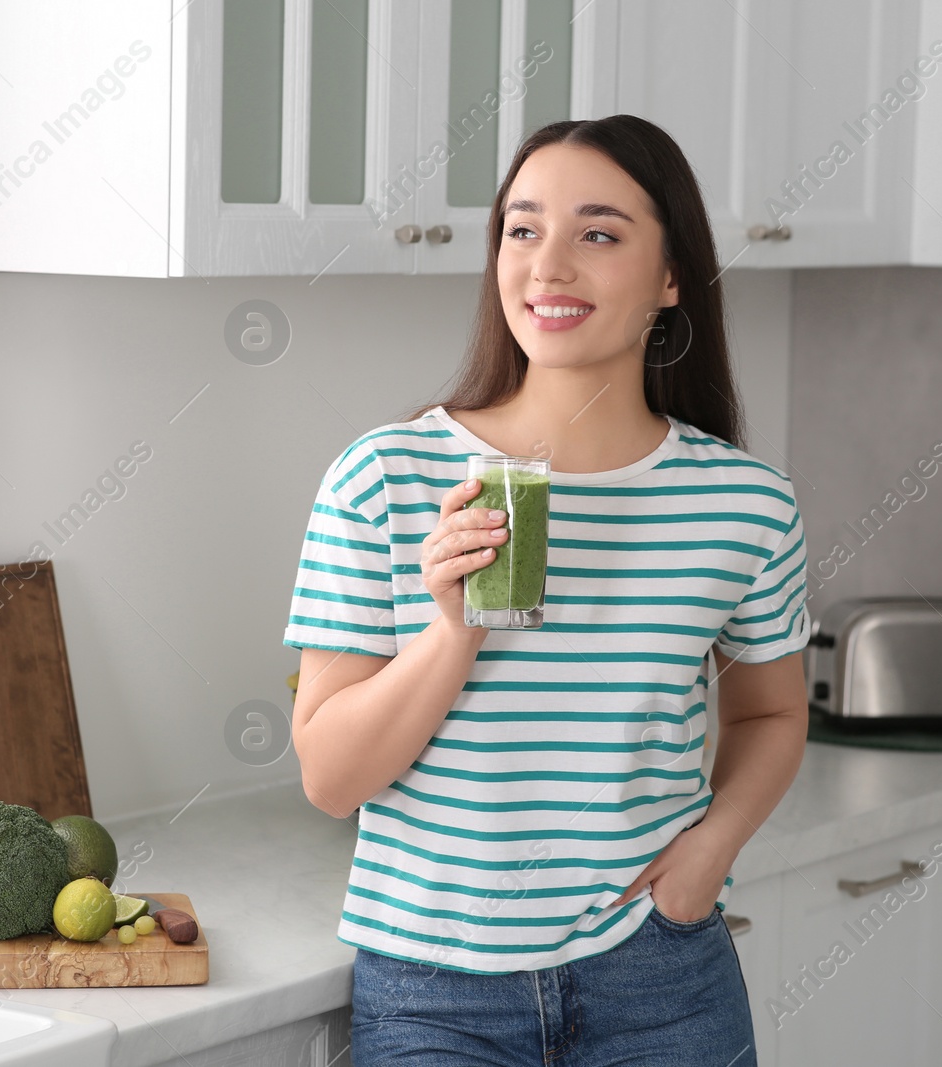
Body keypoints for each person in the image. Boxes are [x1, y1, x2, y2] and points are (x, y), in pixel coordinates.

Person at [281, 114, 810, 1066]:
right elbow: (331, 778)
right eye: (522, 231)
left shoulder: (744, 503)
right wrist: (451, 633)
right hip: (435, 991)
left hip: (661, 978)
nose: (548, 265)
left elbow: (772, 714)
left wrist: (706, 857)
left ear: (671, 275)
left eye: (598, 234)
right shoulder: (386, 477)